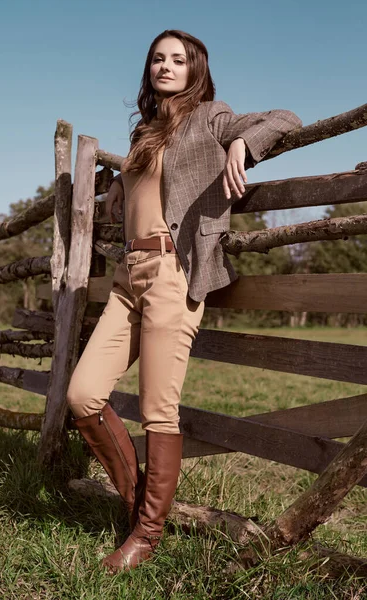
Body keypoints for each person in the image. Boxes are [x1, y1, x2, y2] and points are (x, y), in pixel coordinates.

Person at [66, 29, 302, 572]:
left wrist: (245, 142)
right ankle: (137, 511)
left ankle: (146, 536)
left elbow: (286, 117)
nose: (165, 66)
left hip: (175, 271)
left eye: (178, 59)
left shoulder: (212, 117)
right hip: (130, 277)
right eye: (157, 59)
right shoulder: (145, 132)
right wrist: (120, 189)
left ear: (196, 69)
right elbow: (146, 189)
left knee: (157, 409)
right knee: (83, 397)